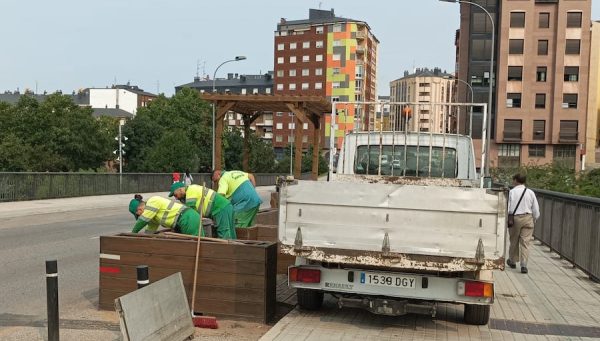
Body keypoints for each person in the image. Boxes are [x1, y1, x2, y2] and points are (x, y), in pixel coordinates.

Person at [168, 182, 236, 239]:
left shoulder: (190, 192)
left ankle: (224, 253)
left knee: (224, 233)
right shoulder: (192, 189)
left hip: (220, 208)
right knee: (230, 232)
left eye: (175, 194)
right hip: (225, 206)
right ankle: (233, 251)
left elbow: (191, 213)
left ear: (180, 189)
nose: (176, 198)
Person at [507, 173, 540, 274]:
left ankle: (512, 260)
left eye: (513, 180)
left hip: (515, 218)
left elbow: (508, 207)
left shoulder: (512, 192)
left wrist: (508, 219)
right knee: (525, 242)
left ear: (516, 180)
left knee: (514, 240)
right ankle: (524, 264)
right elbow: (535, 208)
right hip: (528, 217)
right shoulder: (530, 192)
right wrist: (535, 218)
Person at [128, 196, 201, 236]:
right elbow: (150, 231)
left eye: (139, 215)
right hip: (188, 218)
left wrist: (133, 233)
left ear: (139, 210)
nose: (141, 216)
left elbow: (142, 221)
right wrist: (145, 238)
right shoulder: (152, 215)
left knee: (194, 245)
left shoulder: (152, 201)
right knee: (201, 243)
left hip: (187, 218)